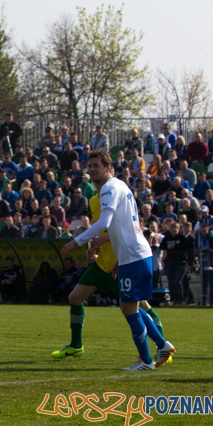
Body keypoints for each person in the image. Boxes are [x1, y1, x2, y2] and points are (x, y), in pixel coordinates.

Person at [60, 150, 174, 370]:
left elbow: (104, 222)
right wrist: (117, 257)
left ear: (108, 168)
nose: (92, 169)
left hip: (134, 255)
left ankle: (146, 360)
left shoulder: (109, 188)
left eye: (97, 166)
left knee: (131, 308)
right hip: (132, 255)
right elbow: (120, 226)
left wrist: (76, 242)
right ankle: (162, 345)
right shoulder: (120, 186)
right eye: (90, 166)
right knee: (129, 306)